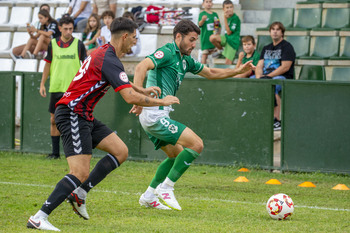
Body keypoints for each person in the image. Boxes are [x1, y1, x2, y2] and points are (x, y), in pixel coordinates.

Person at [27, 17, 180, 231]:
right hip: (72, 113)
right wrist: (160, 101)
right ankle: (39, 217)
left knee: (120, 151)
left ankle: (80, 194)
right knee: (79, 172)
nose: (135, 42)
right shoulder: (109, 58)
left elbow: (124, 83)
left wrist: (143, 91)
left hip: (83, 114)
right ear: (125, 36)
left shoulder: (105, 52)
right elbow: (128, 97)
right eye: (134, 38)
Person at [128, 19, 252, 210]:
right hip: (154, 114)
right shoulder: (167, 52)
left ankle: (148, 195)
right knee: (196, 144)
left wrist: (236, 70)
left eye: (196, 41)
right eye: (191, 40)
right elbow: (140, 67)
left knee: (175, 156)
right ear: (179, 36)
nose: (194, 45)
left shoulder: (185, 60)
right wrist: (137, 97)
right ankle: (167, 188)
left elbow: (210, 73)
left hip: (159, 115)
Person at [39, 16, 87, 160]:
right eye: (65, 29)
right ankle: (55, 153)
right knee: (53, 120)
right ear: (59, 29)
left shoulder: (79, 44)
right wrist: (42, 83)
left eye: (71, 29)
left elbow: (85, 66)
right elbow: (47, 64)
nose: (68, 31)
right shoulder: (52, 44)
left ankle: (75, 153)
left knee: (76, 121)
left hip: (74, 90)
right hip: (56, 88)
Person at [255, 21, 296, 130]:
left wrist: (268, 77)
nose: (275, 32)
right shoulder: (266, 48)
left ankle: (276, 120)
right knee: (251, 81)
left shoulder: (287, 47)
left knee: (272, 85)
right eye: (273, 29)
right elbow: (259, 65)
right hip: (265, 76)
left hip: (282, 77)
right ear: (270, 32)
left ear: (282, 33)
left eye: (278, 29)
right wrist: (259, 77)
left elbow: (285, 67)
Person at [209, 0, 240, 65]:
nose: (229, 9)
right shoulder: (228, 17)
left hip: (232, 42)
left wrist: (225, 19)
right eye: (227, 7)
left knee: (227, 63)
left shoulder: (235, 18)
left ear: (233, 7)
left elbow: (229, 32)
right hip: (226, 39)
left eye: (231, 7)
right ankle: (221, 50)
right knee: (212, 38)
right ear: (223, 9)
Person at [198, 0, 221, 64]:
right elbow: (199, 25)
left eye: (210, 2)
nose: (208, 3)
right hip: (205, 39)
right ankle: (203, 69)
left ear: (212, 3)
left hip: (213, 40)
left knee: (214, 55)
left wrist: (218, 34)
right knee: (205, 54)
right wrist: (202, 20)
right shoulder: (202, 14)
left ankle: (213, 70)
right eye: (207, 2)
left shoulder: (215, 14)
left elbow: (219, 26)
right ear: (203, 4)